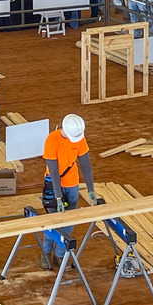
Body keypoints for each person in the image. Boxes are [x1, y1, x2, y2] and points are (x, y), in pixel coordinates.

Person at [39, 114, 96, 269]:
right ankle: (45, 253)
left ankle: (59, 255)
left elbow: (85, 164)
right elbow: (54, 171)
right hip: (53, 184)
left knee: (69, 221)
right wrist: (58, 197)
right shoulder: (52, 140)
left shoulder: (78, 138)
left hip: (72, 184)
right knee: (53, 221)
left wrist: (91, 189)